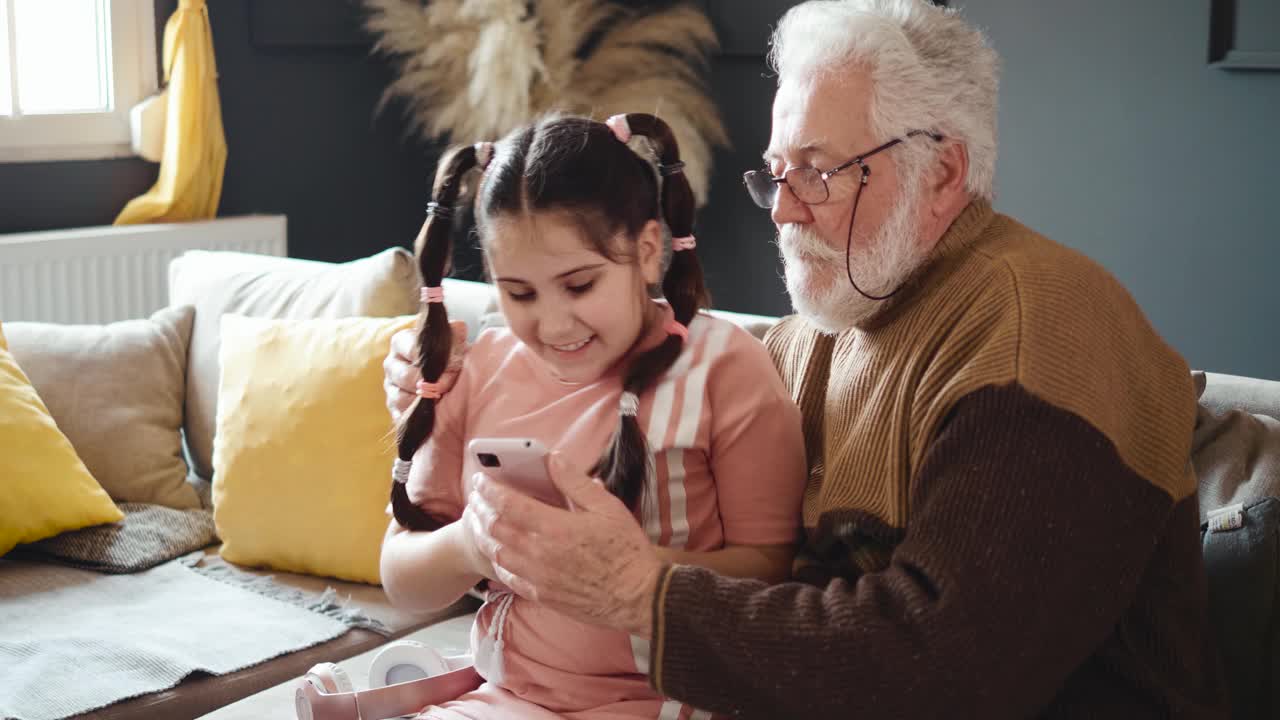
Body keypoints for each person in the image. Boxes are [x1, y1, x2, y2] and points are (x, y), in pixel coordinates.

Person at [385, 1, 1230, 716]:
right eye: (776, 173)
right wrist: (445, 388)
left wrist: (642, 595)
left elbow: (951, 668)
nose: (783, 210)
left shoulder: (1032, 323)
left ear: (943, 173)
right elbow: (654, 397)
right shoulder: (814, 333)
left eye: (821, 173)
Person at [379, 113, 807, 719]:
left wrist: (625, 571)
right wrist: (474, 545)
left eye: (579, 285)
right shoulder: (478, 371)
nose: (553, 326)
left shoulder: (725, 367)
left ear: (648, 250)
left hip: (669, 701)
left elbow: (771, 574)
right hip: (509, 698)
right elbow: (400, 574)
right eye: (519, 293)